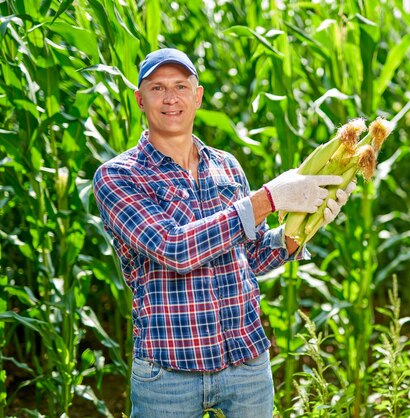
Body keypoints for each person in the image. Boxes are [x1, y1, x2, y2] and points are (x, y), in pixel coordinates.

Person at [92, 48, 354, 417]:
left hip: (246, 363)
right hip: (169, 373)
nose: (171, 98)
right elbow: (173, 248)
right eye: (157, 88)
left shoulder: (226, 167)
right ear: (139, 99)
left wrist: (304, 227)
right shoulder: (119, 176)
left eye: (181, 86)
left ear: (197, 96)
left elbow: (252, 256)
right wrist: (267, 199)